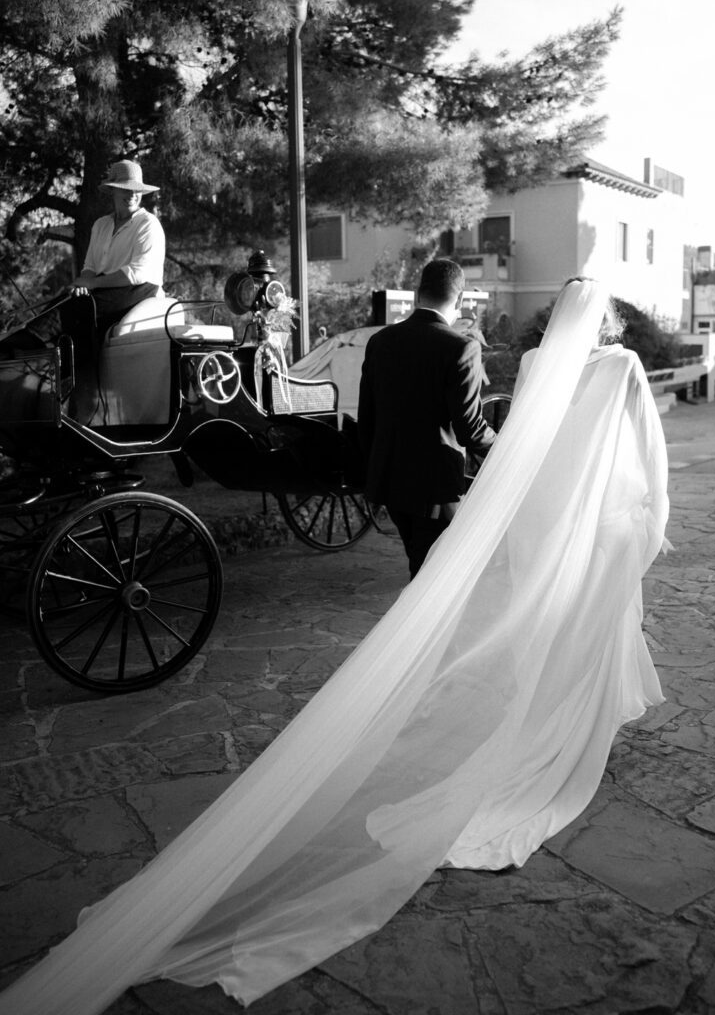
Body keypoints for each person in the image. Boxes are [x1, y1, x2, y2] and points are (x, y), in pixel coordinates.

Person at [0, 278, 669, 1015]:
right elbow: (516, 431)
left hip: (423, 482)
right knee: (555, 614)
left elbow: (379, 416)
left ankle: (449, 649)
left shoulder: (445, 349)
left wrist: (387, 468)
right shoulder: (598, 366)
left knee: (442, 585)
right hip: (551, 505)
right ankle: (525, 692)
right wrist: (639, 513)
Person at [357, 258, 496, 577]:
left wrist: (375, 469)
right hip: (435, 489)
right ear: (460, 300)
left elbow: (366, 418)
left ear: (418, 293)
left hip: (390, 482)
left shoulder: (380, 341)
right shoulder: (461, 348)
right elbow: (470, 430)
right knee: (435, 579)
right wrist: (504, 447)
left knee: (423, 570)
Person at [61, 159, 165, 419]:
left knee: (84, 310)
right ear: (113, 192)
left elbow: (137, 273)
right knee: (67, 303)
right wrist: (82, 285)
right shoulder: (101, 225)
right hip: (106, 288)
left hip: (141, 290)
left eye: (137, 190)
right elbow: (90, 267)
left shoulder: (148, 225)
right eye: (126, 189)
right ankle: (51, 370)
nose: (133, 195)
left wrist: (91, 285)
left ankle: (84, 398)